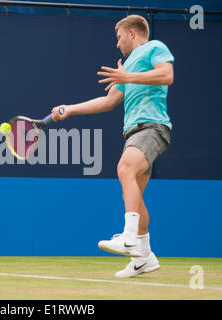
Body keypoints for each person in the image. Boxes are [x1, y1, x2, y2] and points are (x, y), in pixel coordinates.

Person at [51, 14, 174, 278]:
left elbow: (167, 75)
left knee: (124, 168)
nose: (117, 44)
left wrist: (129, 75)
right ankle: (144, 257)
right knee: (132, 195)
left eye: (119, 38)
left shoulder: (155, 47)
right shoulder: (127, 66)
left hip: (152, 127)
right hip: (134, 132)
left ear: (132, 33)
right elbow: (108, 102)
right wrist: (69, 109)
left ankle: (129, 238)